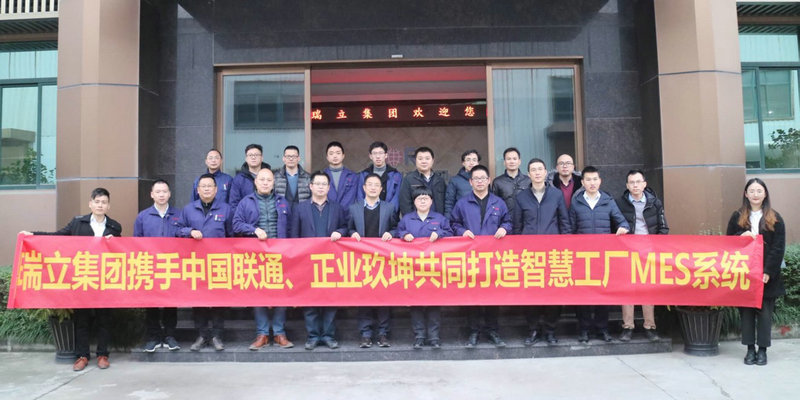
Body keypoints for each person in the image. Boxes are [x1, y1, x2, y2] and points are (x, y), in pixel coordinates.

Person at [21, 188, 122, 371]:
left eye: (104, 202)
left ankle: (103, 354)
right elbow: (57, 237)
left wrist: (115, 241)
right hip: (82, 278)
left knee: (104, 319)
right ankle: (82, 356)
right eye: (97, 201)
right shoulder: (78, 223)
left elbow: (122, 251)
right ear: (90, 203)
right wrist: (33, 236)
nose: (100, 205)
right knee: (82, 319)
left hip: (105, 279)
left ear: (109, 206)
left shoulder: (115, 227)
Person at [449, 165, 511, 348]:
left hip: (493, 256)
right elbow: (453, 223)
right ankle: (474, 332)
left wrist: (504, 228)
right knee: (473, 294)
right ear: (470, 182)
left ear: (489, 180)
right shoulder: (462, 203)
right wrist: (462, 231)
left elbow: (508, 221)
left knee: (493, 294)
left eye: (483, 178)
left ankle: (493, 331)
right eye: (476, 179)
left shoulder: (499, 203)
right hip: (471, 256)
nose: (480, 182)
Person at [233, 168, 295, 350]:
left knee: (281, 293)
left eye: (269, 180)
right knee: (258, 293)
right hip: (256, 256)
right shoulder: (246, 202)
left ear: (274, 183)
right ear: (255, 182)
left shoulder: (283, 202)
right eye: (262, 179)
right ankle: (262, 334)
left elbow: (291, 228)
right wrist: (253, 230)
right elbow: (236, 224)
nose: (265, 183)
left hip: (280, 255)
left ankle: (279, 333)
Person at [727, 178, 785, 366]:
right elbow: (728, 242)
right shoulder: (737, 216)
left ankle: (763, 350)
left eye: (759, 191)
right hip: (744, 274)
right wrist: (740, 236)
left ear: (765, 194)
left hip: (766, 275)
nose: (755, 194)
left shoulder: (775, 217)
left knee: (765, 314)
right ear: (746, 194)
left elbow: (778, 247)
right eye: (751, 191)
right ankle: (750, 349)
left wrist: (768, 271)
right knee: (746, 314)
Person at [512, 158, 571, 345]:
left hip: (553, 253)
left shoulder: (556, 195)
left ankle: (550, 330)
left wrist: (566, 248)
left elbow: (564, 223)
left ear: (546, 173)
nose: (537, 173)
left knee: (553, 293)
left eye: (540, 169)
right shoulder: (521, 197)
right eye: (533, 170)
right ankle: (533, 330)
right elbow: (517, 226)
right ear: (528, 174)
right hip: (529, 255)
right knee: (531, 294)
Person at [569, 166, 629, 343]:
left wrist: (623, 228)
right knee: (583, 295)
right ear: (582, 182)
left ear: (600, 181)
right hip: (582, 257)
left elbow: (623, 222)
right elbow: (570, 229)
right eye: (588, 180)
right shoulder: (576, 202)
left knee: (603, 293)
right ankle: (584, 330)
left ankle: (603, 329)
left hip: (602, 257)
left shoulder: (608, 201)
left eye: (595, 179)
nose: (592, 183)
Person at [290, 171, 348, 350]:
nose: (321, 187)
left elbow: (345, 227)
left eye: (324, 184)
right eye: (318, 184)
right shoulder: (300, 208)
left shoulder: (337, 208)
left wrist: (340, 232)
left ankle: (329, 336)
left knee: (330, 300)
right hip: (307, 262)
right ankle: (313, 336)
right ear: (311, 186)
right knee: (310, 301)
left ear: (329, 188)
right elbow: (294, 235)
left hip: (331, 262)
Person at [177, 173, 233, 352]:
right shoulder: (188, 209)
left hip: (219, 262)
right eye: (203, 186)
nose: (207, 189)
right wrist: (189, 231)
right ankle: (201, 334)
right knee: (198, 299)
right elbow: (178, 230)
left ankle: (217, 335)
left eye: (210, 186)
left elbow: (232, 235)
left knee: (218, 300)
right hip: (197, 263)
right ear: (197, 190)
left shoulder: (226, 209)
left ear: (216, 190)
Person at [615, 170, 669, 342]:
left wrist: (657, 247)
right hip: (627, 251)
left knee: (647, 289)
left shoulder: (654, 203)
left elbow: (663, 227)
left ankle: (649, 326)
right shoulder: (620, 203)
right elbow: (614, 226)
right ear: (627, 185)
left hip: (649, 251)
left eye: (638, 182)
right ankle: (628, 327)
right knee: (627, 289)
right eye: (632, 182)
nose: (635, 185)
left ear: (644, 184)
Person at [397, 187, 453, 349]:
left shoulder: (439, 218)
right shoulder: (407, 219)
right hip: (413, 269)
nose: (423, 201)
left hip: (434, 268)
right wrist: (403, 235)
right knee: (416, 303)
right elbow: (397, 232)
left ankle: (434, 337)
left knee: (434, 302)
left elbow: (451, 233)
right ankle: (419, 336)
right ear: (414, 202)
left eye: (426, 198)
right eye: (419, 198)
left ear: (431, 201)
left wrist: (440, 233)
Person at [348, 173, 398, 348]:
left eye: (377, 185)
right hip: (361, 259)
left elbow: (396, 227)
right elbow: (348, 228)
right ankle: (366, 334)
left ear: (381, 189)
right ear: (364, 188)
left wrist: (391, 233)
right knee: (364, 297)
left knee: (384, 297)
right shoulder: (353, 208)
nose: (373, 187)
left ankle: (383, 334)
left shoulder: (389, 208)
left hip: (383, 260)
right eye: (370, 184)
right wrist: (352, 233)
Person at [134, 180, 182, 352]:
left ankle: (170, 336)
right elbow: (137, 241)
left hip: (172, 265)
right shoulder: (143, 216)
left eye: (164, 191)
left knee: (171, 302)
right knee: (151, 302)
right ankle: (153, 337)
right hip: (150, 265)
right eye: (158, 192)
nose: (161, 195)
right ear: (152, 194)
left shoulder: (179, 215)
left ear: (169, 194)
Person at [398, 146, 447, 216]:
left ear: (432, 161)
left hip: (437, 220)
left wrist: (443, 219)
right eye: (420, 159)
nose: (424, 161)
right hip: (416, 220)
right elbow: (404, 204)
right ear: (415, 161)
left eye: (427, 158)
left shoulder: (439, 180)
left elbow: (446, 202)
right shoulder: (408, 179)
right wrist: (410, 220)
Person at [356, 141, 403, 210]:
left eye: (381, 153)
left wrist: (388, 212)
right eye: (375, 153)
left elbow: (396, 198)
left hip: (389, 214)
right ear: (370, 156)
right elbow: (360, 196)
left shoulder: (395, 175)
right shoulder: (364, 174)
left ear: (386, 155)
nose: (378, 156)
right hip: (367, 214)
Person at [229, 144, 271, 211]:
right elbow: (234, 204)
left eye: (256, 155)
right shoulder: (239, 179)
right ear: (246, 158)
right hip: (246, 216)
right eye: (250, 155)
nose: (253, 157)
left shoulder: (270, 176)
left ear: (262, 158)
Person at [492, 147, 531, 216]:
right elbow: (494, 204)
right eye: (509, 159)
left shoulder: (528, 180)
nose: (512, 161)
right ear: (504, 162)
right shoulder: (497, 182)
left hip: (525, 219)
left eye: (514, 159)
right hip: (505, 219)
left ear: (519, 161)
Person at [323, 141, 358, 215]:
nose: (335, 156)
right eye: (331, 153)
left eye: (338, 153)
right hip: (326, 215)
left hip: (346, 216)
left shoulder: (352, 176)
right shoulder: (321, 176)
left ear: (343, 156)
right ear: (327, 157)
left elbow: (350, 199)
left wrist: (338, 212)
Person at [444, 149, 481, 217]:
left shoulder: (483, 180)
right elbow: (449, 203)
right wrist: (448, 220)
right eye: (468, 160)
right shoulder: (455, 180)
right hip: (461, 218)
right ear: (463, 163)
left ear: (478, 163)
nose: (471, 163)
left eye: (474, 160)